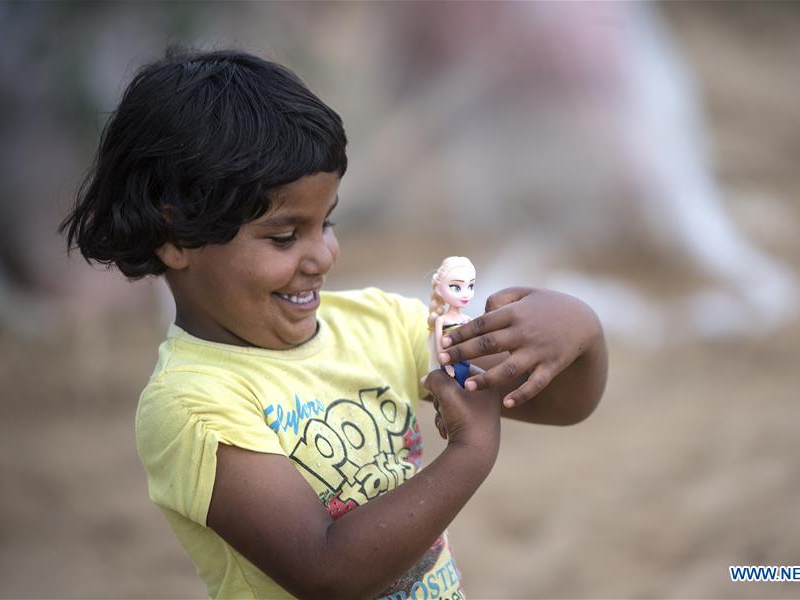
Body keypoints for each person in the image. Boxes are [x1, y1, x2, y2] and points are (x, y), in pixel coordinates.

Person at [59, 47, 608, 599]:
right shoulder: (192, 404)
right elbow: (327, 571)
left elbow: (561, 405)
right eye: (284, 235)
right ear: (175, 237)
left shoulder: (377, 324)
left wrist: (580, 331)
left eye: (328, 221)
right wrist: (471, 453)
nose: (323, 254)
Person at [427, 256, 476, 387]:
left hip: (465, 361)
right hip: (450, 363)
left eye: (470, 286)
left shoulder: (467, 319)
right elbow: (439, 347)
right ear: (438, 289)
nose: (466, 294)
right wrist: (446, 365)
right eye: (456, 287)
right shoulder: (442, 320)